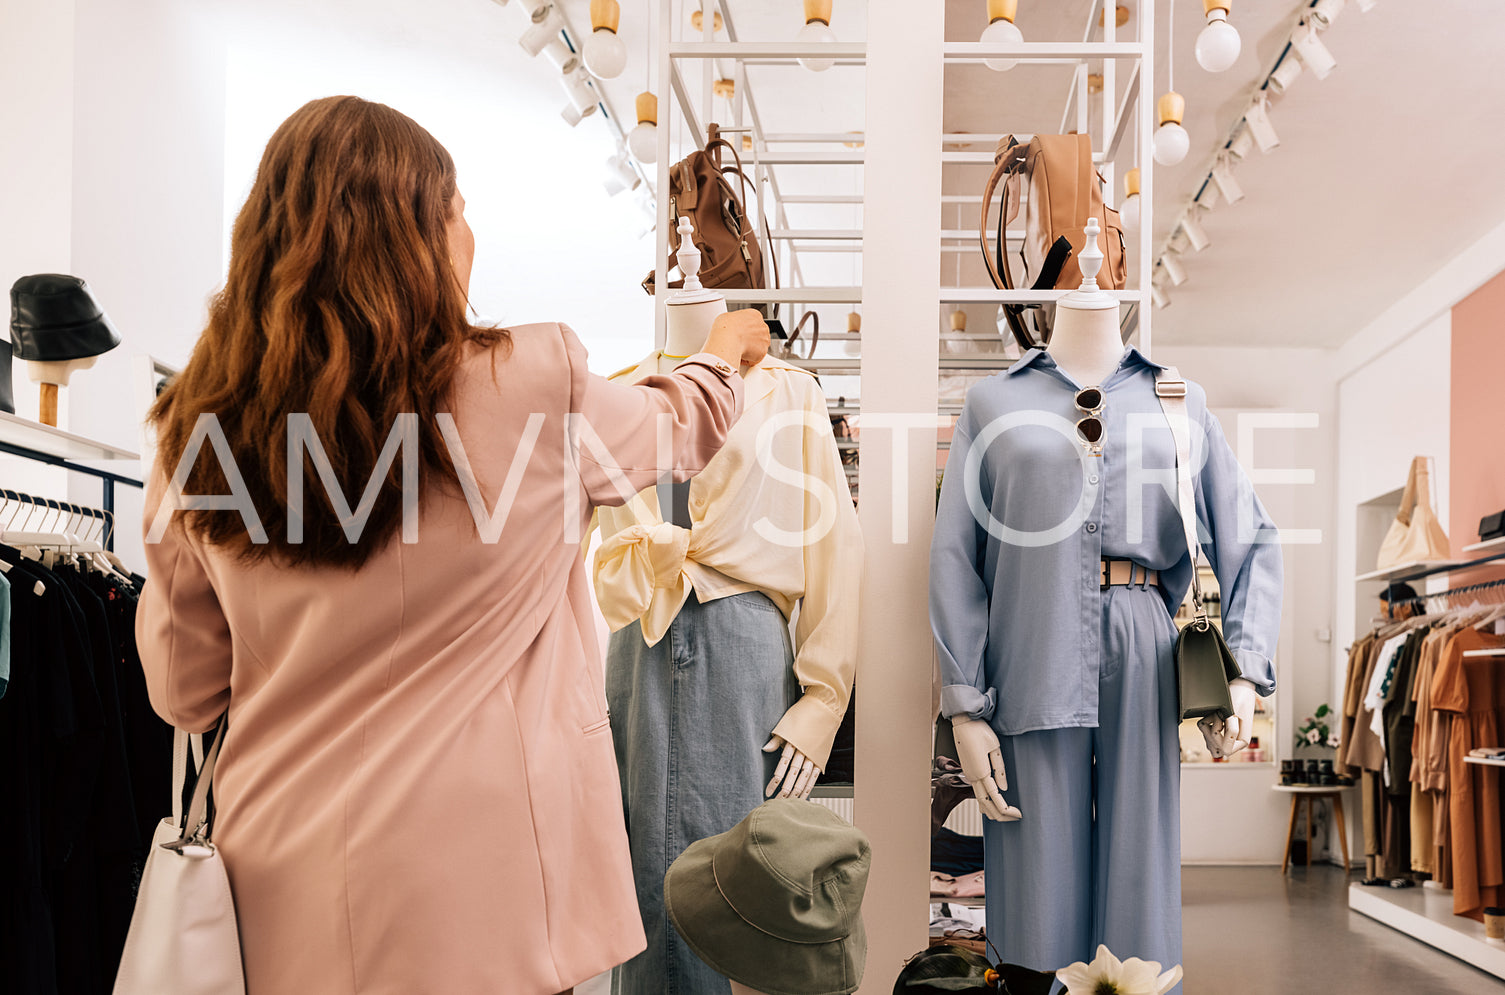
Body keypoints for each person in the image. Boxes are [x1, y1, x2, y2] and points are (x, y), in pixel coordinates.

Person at [135, 95, 768, 995]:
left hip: (280, 898)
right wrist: (720, 355)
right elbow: (679, 424)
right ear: (423, 237)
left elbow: (186, 690)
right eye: (459, 211)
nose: (470, 234)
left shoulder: (191, 433)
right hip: (493, 897)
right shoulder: (529, 387)